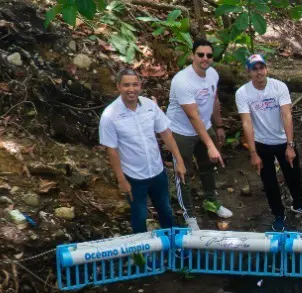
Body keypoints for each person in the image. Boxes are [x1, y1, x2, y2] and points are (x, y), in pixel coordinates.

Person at [235, 53, 302, 232]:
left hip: (282, 140)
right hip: (261, 143)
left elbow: (286, 114)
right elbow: (246, 122)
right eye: (254, 69)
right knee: (269, 182)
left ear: (266, 68)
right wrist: (253, 153)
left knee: (293, 175)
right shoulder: (243, 93)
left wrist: (290, 144)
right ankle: (278, 214)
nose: (259, 72)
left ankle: (299, 203)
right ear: (248, 71)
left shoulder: (279, 87)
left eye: (261, 68)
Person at [99, 68, 187, 234]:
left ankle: (172, 248)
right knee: (139, 216)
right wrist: (121, 180)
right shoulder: (110, 115)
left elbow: (166, 133)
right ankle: (143, 256)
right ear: (118, 86)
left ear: (140, 86)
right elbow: (112, 150)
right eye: (126, 85)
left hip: (157, 172)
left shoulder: (149, 106)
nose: (131, 89)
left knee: (166, 211)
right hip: (134, 178)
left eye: (134, 84)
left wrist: (179, 161)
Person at [166, 38, 231, 219]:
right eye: (200, 54)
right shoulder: (182, 81)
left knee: (208, 166)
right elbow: (193, 116)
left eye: (209, 55)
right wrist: (210, 144)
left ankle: (211, 201)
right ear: (192, 55)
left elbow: (214, 99)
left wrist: (219, 126)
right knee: (183, 172)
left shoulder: (213, 75)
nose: (205, 58)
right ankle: (189, 217)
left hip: (205, 125)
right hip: (181, 131)